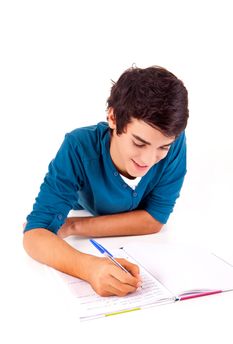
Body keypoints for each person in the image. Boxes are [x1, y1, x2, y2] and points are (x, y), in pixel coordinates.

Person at [23, 65, 189, 297]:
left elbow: (154, 219)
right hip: (83, 205)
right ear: (113, 117)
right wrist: (88, 267)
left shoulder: (176, 143)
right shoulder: (78, 146)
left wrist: (73, 226)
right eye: (139, 143)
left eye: (163, 147)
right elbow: (34, 233)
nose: (149, 159)